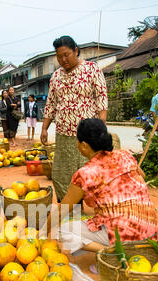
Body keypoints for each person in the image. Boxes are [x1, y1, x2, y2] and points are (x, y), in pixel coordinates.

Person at [42, 118, 158, 256]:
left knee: (62, 230)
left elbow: (62, 210)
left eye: (77, 141)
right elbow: (142, 176)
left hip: (124, 235)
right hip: (149, 231)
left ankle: (110, 253)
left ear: (84, 145)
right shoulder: (124, 154)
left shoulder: (85, 174)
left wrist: (43, 232)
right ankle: (124, 248)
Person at [40, 35, 108, 202]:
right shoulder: (55, 76)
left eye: (66, 55)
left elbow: (101, 98)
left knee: (90, 174)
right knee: (61, 175)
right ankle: (71, 211)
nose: (63, 60)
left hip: (87, 136)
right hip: (63, 135)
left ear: (76, 51)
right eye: (59, 56)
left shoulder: (92, 69)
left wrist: (102, 126)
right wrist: (44, 128)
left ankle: (98, 209)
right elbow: (51, 104)